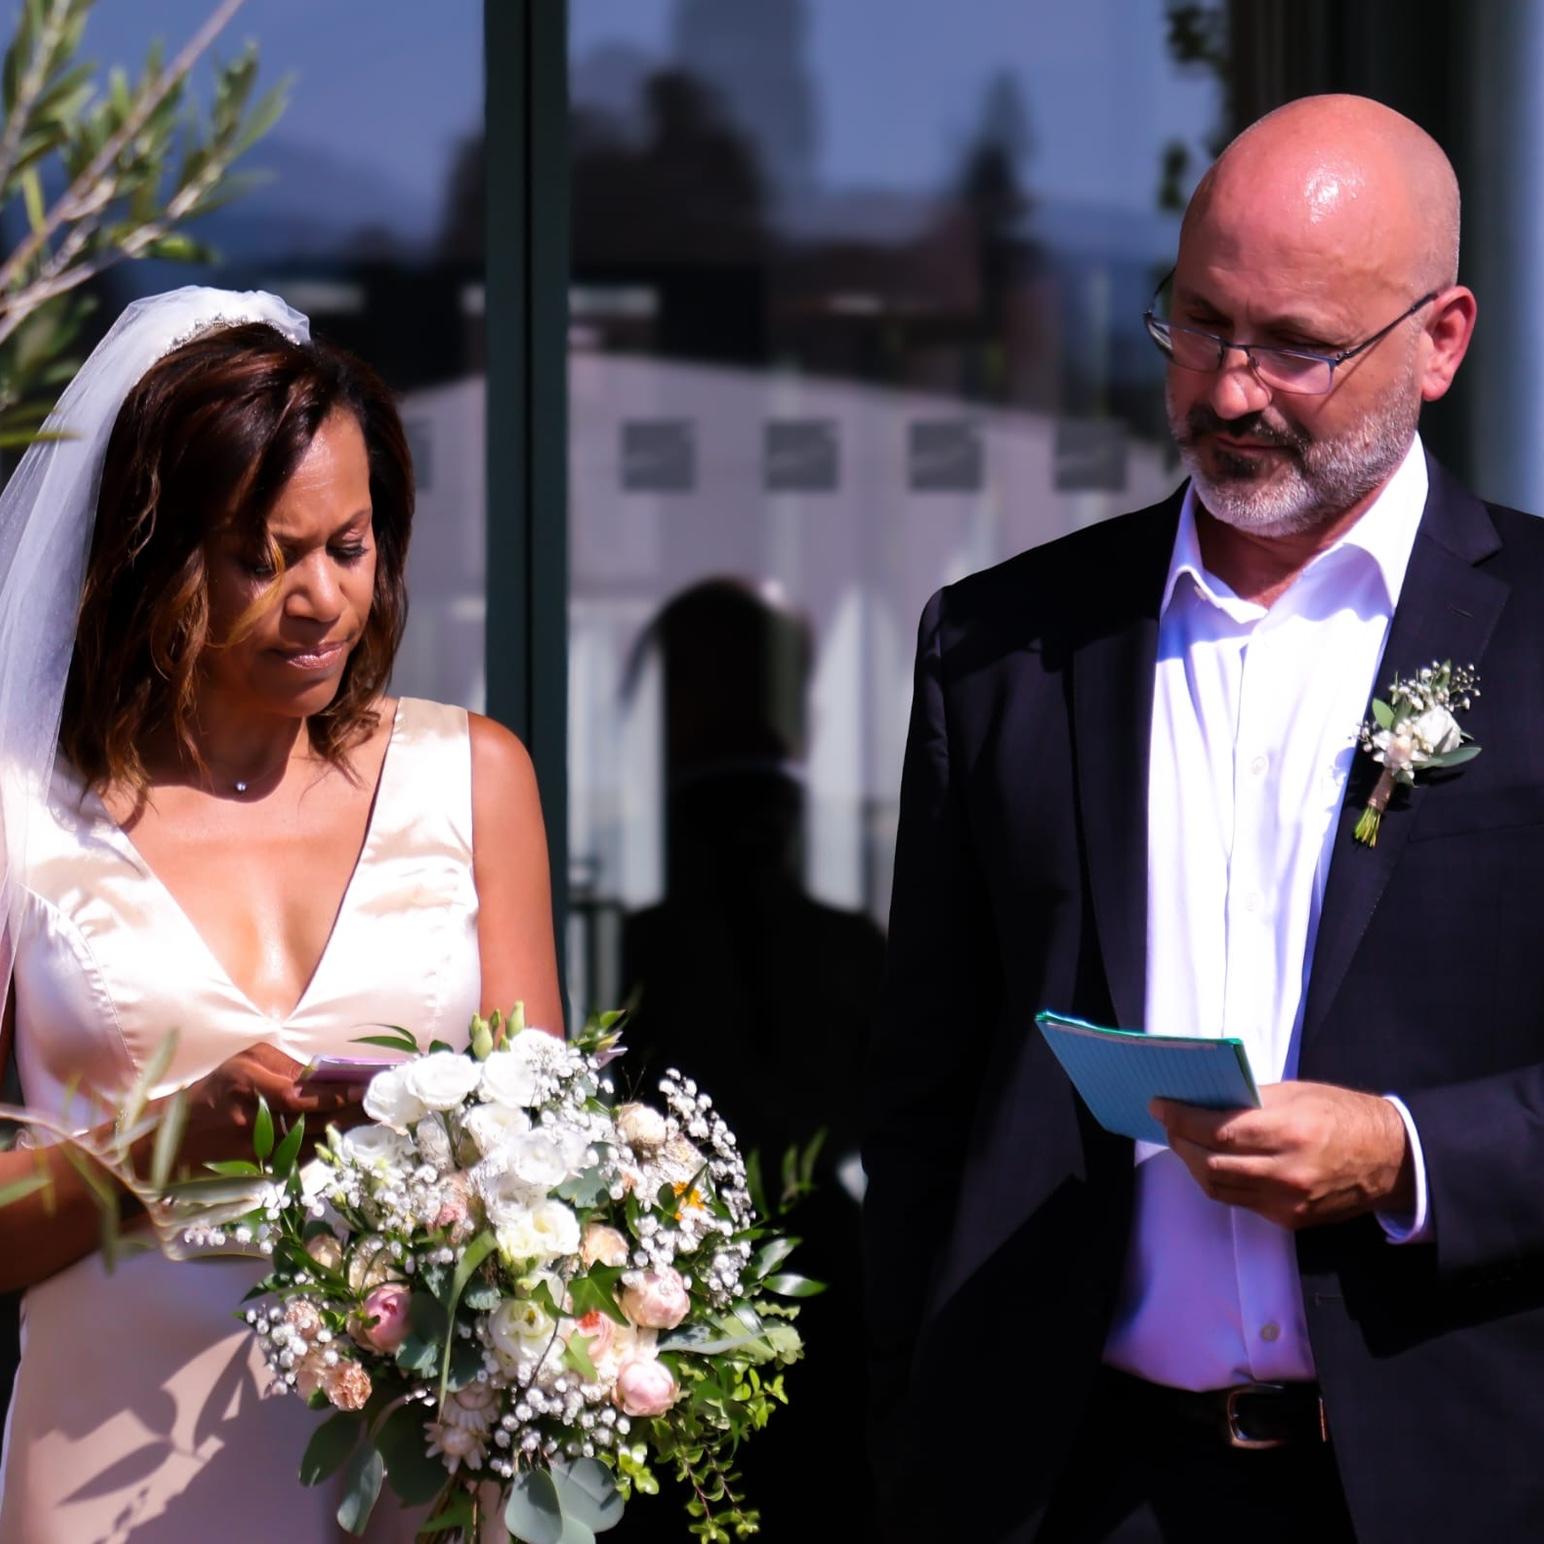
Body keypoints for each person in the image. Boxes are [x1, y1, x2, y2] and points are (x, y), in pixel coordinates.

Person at [862, 92, 1543, 1543]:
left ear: (1440, 340)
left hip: (1457, 1481)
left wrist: (1408, 1154)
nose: (1229, 392)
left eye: (1295, 346)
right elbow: (926, 1098)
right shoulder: (1004, 645)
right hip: (1081, 1489)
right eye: (1197, 323)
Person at [0, 288, 563, 1540]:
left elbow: (555, 1179)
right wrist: (158, 1148)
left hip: (411, 1473)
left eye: (346, 547)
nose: (319, 600)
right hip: (109, 1482)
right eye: (264, 558)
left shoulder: (475, 779)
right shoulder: (21, 812)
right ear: (152, 557)